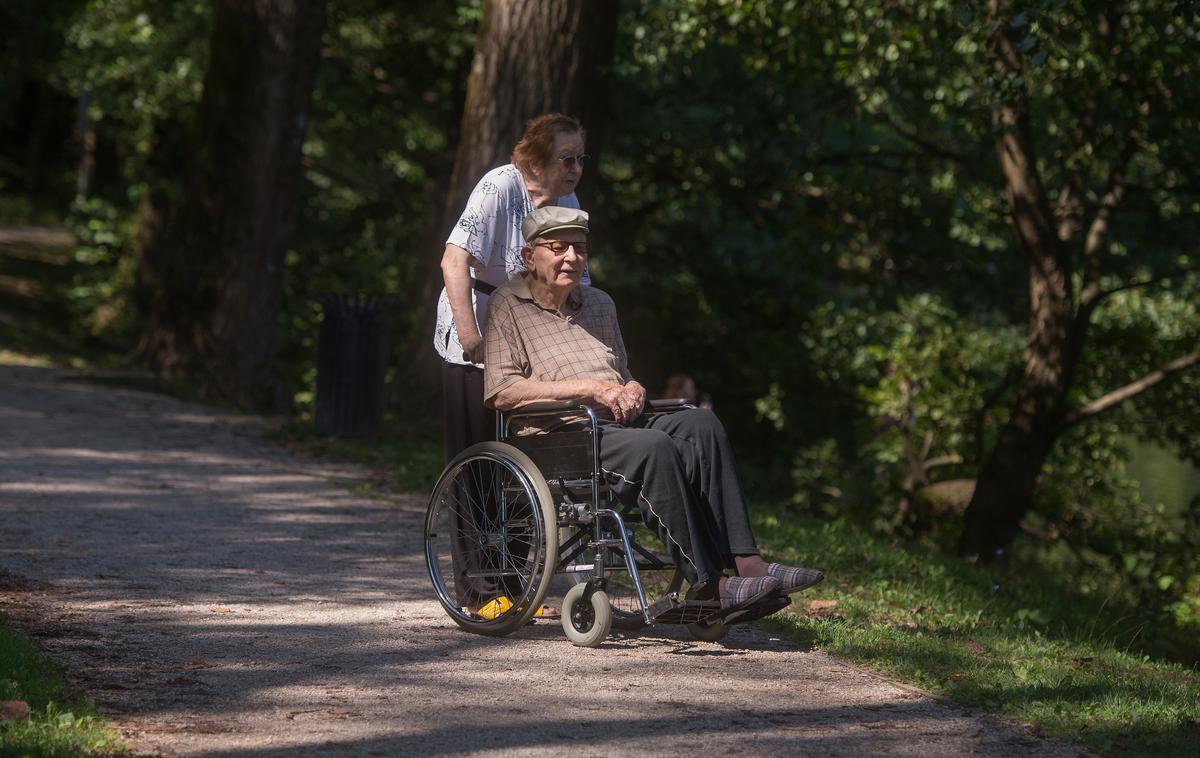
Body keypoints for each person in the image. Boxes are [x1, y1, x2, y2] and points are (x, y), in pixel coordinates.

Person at [483, 207, 824, 610]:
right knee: (653, 447)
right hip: (559, 434)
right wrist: (591, 389)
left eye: (580, 247)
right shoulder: (508, 304)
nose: (572, 258)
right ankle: (709, 585)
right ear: (529, 256)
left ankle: (748, 564)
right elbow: (502, 392)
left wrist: (631, 387)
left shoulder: (599, 303)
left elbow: (620, 372)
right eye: (559, 248)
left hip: (614, 422)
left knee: (701, 423)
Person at [434, 114, 589, 618]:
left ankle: (518, 585)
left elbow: (573, 279)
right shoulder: (500, 187)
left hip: (529, 339)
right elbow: (454, 260)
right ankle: (479, 592)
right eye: (568, 158)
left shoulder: (568, 205)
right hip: (475, 329)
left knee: (527, 459)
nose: (576, 168)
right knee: (478, 463)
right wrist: (470, 333)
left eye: (581, 159)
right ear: (538, 158)